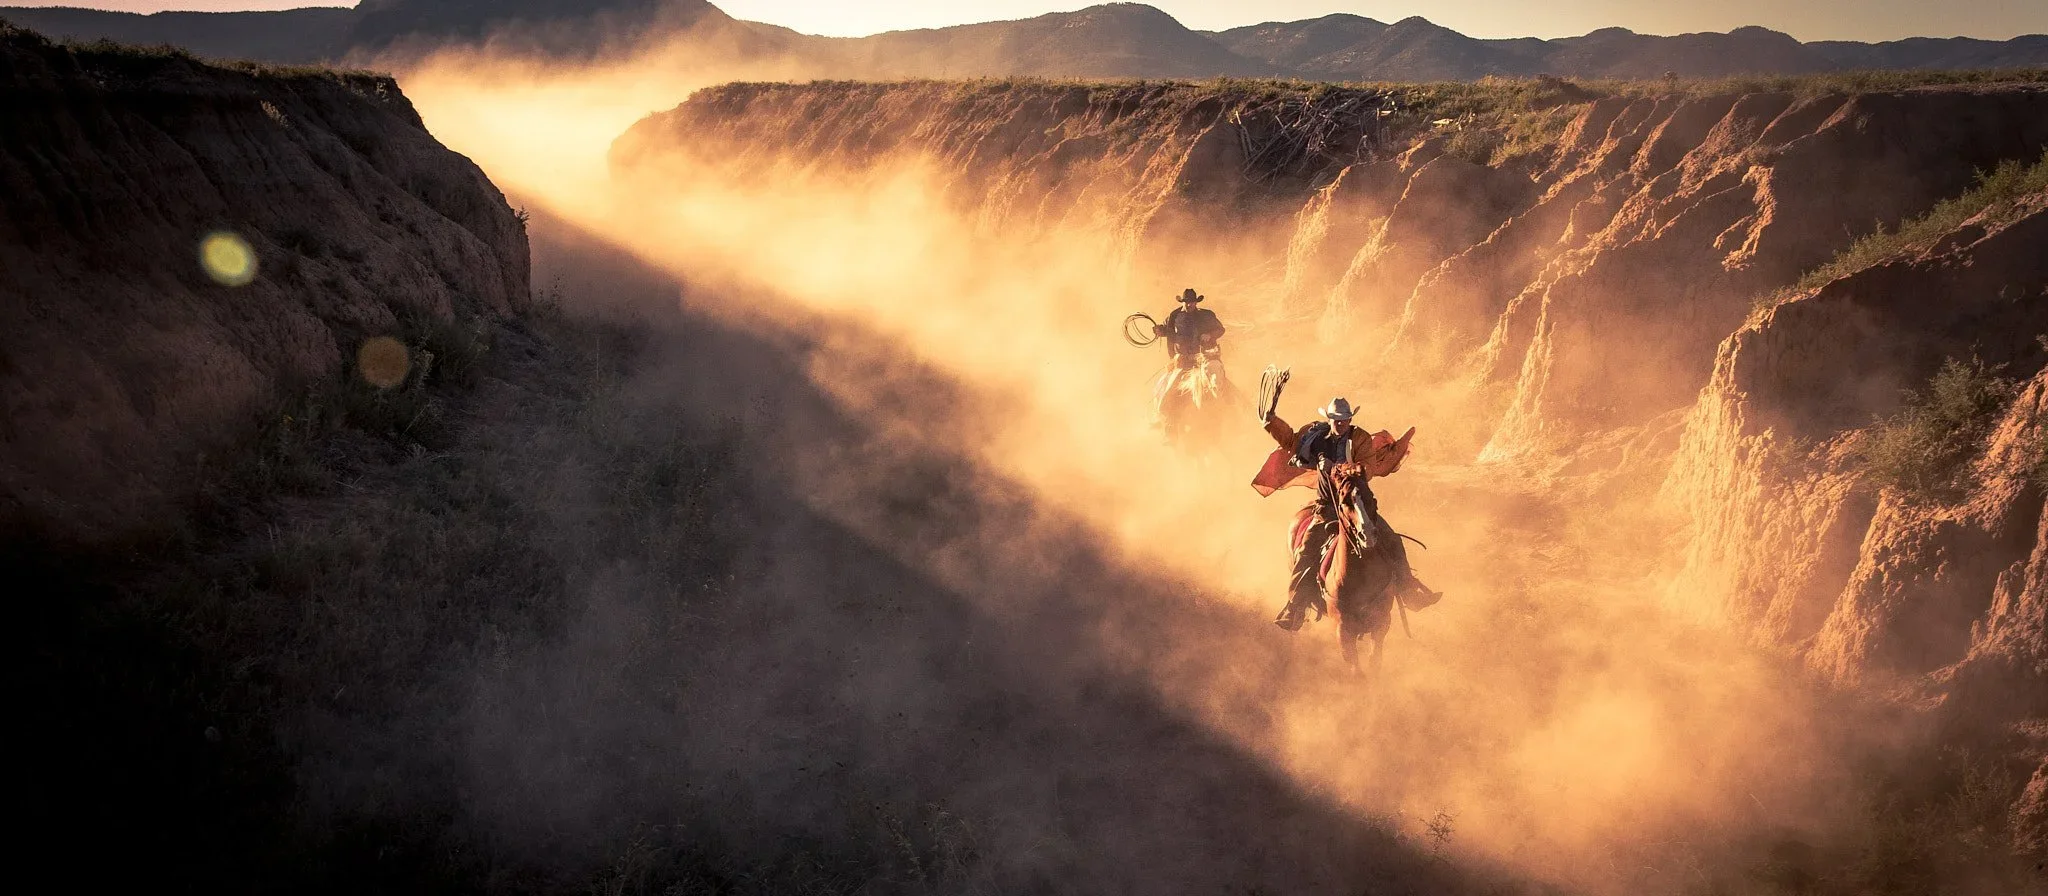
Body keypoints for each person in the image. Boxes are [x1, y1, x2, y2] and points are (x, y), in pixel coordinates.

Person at [1253, 396, 1441, 631]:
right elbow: (1291, 440)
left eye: (1344, 420)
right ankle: (1295, 606)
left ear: (1350, 419)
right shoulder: (1316, 437)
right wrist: (1271, 422)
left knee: (1391, 540)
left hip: (1357, 504)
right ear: (1329, 419)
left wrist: (1340, 468)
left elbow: (1367, 468)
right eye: (1335, 419)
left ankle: (1408, 588)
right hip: (1327, 508)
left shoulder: (1359, 438)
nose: (1340, 423)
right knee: (1306, 551)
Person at [1154, 287, 1225, 369]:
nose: (1189, 305)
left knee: (1215, 377)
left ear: (1196, 303)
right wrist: (1159, 331)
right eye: (1186, 302)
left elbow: (1220, 329)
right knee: (1167, 381)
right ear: (1182, 302)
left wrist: (1210, 335)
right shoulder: (1173, 316)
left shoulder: (1206, 315)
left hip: (1204, 359)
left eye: (1192, 302)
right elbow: (1167, 331)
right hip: (1182, 361)